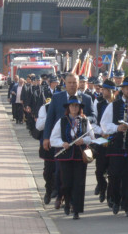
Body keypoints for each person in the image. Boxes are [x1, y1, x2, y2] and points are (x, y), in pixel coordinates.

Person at [38, 73, 96, 207]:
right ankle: (60, 195)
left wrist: (86, 118)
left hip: (79, 143)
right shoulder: (57, 98)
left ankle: (71, 200)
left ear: (78, 83)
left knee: (76, 175)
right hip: (61, 142)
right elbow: (50, 118)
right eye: (69, 82)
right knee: (59, 171)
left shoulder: (86, 98)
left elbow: (94, 117)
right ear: (65, 83)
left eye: (74, 83)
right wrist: (46, 137)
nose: (72, 85)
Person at [100, 77, 128, 216]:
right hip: (117, 146)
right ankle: (115, 200)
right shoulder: (113, 105)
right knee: (114, 175)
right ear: (123, 90)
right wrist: (116, 128)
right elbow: (104, 124)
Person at [49, 97, 96, 219]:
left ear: (80, 108)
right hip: (65, 157)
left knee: (79, 183)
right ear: (68, 108)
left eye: (76, 106)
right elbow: (54, 138)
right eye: (72, 106)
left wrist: (83, 140)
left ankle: (76, 209)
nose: (74, 108)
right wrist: (62, 143)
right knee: (66, 182)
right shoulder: (62, 121)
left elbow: (92, 138)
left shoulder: (85, 121)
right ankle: (67, 203)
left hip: (80, 157)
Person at [93, 80, 116, 204]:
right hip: (102, 140)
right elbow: (93, 123)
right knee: (99, 170)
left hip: (114, 140)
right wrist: (102, 132)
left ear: (111, 91)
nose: (102, 92)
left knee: (113, 171)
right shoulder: (98, 104)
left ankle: (111, 196)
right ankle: (102, 188)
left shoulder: (118, 104)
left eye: (105, 90)